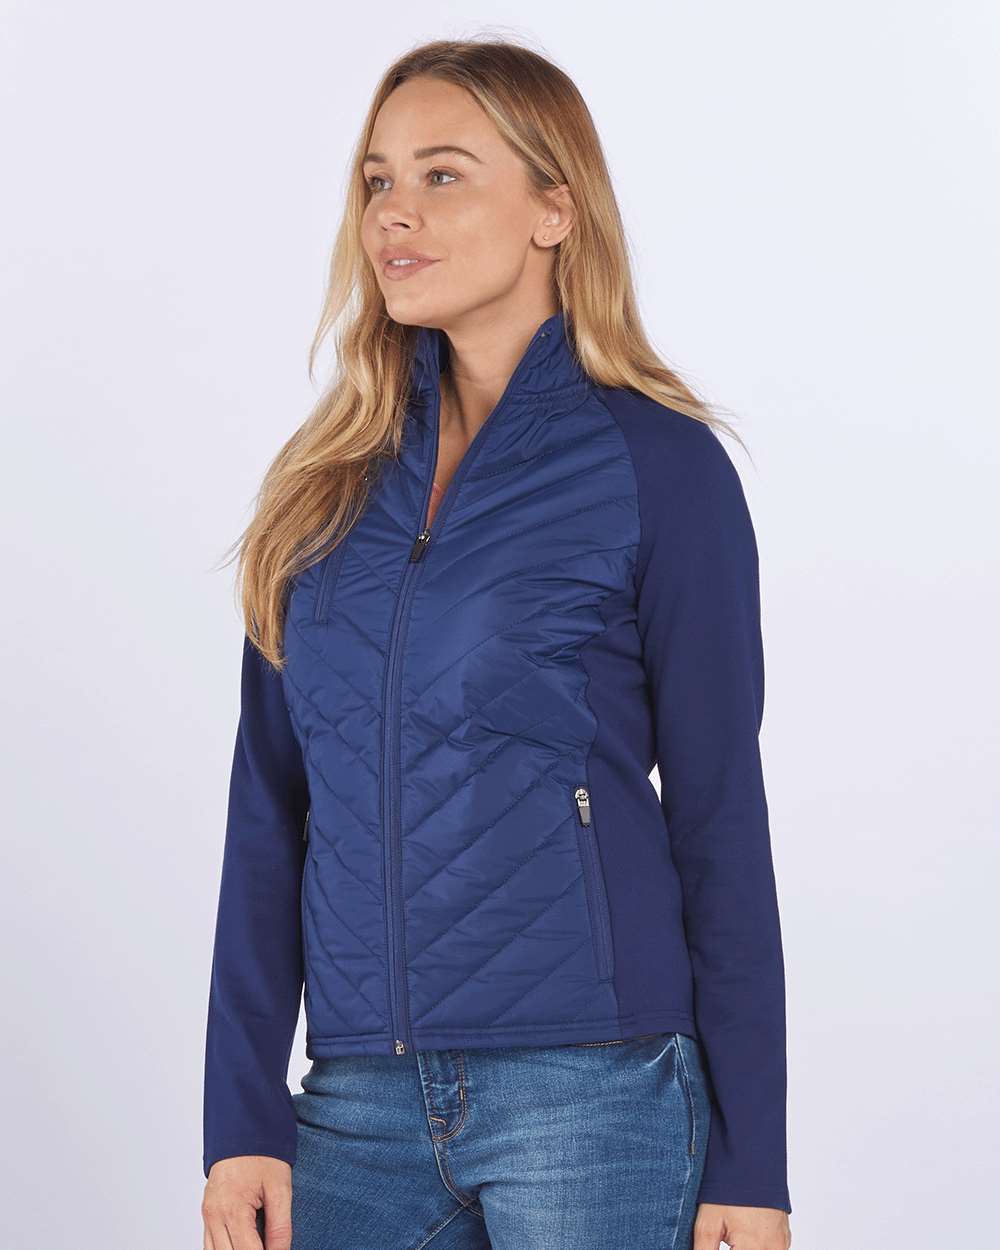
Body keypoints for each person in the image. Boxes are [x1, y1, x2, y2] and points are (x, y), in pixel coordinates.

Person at [200, 37, 793, 1250]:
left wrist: (754, 1160)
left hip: (595, 1090)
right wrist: (240, 1114)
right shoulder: (325, 486)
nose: (393, 214)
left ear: (553, 211)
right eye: (378, 180)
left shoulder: (658, 465)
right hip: (355, 1098)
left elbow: (720, 815)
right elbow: (269, 811)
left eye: (442, 175)